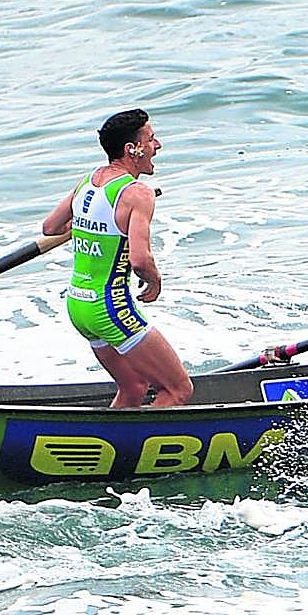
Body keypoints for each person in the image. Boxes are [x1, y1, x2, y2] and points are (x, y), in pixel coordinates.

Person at [42, 109, 193, 408]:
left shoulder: (89, 180)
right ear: (131, 150)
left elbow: (50, 228)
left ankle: (110, 445)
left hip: (78, 305)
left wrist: (91, 228)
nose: (157, 145)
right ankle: (140, 451)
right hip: (111, 308)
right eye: (150, 139)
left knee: (134, 387)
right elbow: (139, 259)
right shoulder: (138, 193)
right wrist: (155, 280)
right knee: (178, 390)